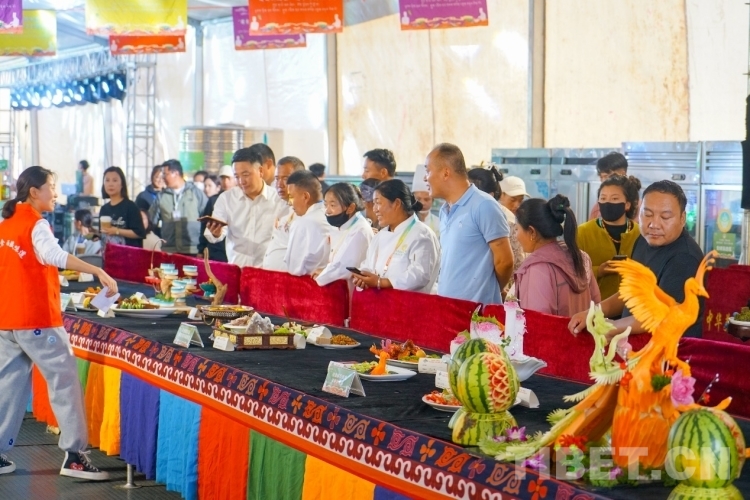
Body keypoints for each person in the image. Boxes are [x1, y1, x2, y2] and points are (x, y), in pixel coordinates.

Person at [0, 166, 118, 480]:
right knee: (64, 382)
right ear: (34, 191)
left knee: (8, 386)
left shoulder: (6, 224)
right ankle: (75, 455)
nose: (55, 192)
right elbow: (55, 256)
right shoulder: (35, 224)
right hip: (36, 319)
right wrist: (97, 270)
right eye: (51, 186)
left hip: (7, 320)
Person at [569, 180, 705, 339]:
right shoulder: (643, 240)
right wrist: (593, 312)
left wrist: (609, 327)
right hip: (633, 344)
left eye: (665, 217)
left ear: (682, 218)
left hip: (670, 349)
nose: (654, 224)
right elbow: (630, 293)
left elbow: (658, 317)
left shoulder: (685, 259)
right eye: (648, 214)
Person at [425, 143, 514, 304]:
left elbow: (505, 261)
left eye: (428, 171)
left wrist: (488, 290)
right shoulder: (445, 211)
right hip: (449, 308)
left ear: (446, 173)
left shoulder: (484, 205)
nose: (425, 178)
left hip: (476, 313)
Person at [514, 195, 600, 316]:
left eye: (517, 229)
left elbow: (537, 322)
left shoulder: (537, 269)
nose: (516, 236)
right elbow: (597, 307)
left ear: (532, 231)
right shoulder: (581, 257)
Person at [204, 148, 288, 268]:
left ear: (260, 171)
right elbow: (213, 235)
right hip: (237, 271)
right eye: (236, 176)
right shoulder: (226, 199)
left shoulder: (279, 200)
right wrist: (216, 233)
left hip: (267, 271)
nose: (241, 181)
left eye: (245, 175)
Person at [353, 179, 440, 293]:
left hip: (409, 302)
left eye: (378, 203)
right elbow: (368, 264)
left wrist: (381, 282)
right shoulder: (380, 236)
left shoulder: (422, 234)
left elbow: (420, 275)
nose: (374, 209)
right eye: (374, 204)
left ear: (397, 203)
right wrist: (363, 277)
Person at [577, 175, 642, 300]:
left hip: (632, 305)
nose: (607, 203)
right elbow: (570, 272)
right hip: (592, 306)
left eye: (614, 198)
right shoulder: (582, 232)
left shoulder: (640, 234)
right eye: (603, 198)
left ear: (627, 204)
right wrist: (598, 271)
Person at [469, 166, 526, 294]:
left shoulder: (507, 221)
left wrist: (497, 289)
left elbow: (509, 263)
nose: (517, 205)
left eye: (520, 200)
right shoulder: (470, 215)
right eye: (513, 199)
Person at [313, 183, 374, 286]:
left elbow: (343, 267)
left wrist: (323, 274)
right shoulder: (342, 224)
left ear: (350, 208)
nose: (327, 211)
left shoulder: (360, 230)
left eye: (332, 205)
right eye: (325, 205)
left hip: (351, 287)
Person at [148, 159, 207, 255]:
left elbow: (207, 220)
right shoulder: (161, 196)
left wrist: (202, 248)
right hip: (169, 250)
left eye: (165, 174)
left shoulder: (196, 193)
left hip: (193, 249)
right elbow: (151, 222)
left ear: (175, 173)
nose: (163, 178)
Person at [282, 170, 332, 276]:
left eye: (291, 197)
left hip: (305, 283)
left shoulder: (301, 224)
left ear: (305, 196)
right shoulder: (331, 216)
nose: (289, 203)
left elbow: (294, 267)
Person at [262, 157, 305, 270]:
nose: (279, 184)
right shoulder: (281, 204)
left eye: (286, 178)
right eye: (277, 178)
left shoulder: (305, 211)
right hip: (272, 274)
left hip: (291, 276)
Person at [99, 166, 147, 248]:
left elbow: (139, 233)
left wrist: (117, 231)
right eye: (107, 180)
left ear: (122, 184)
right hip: (108, 253)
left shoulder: (130, 206)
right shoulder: (104, 209)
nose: (110, 184)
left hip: (128, 254)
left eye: (115, 180)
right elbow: (103, 234)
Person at [197, 174, 228, 262]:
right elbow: (205, 226)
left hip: (230, 250)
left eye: (209, 186)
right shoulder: (213, 200)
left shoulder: (239, 200)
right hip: (216, 250)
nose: (206, 189)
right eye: (205, 186)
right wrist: (201, 249)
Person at [589, 151, 628, 220]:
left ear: (622, 174)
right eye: (601, 177)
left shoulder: (639, 208)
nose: (603, 181)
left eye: (606, 176)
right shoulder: (597, 208)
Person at [412, 164, 440, 237]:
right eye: (418, 199)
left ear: (433, 200)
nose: (422, 203)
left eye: (426, 199)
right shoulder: (406, 223)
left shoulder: (439, 223)